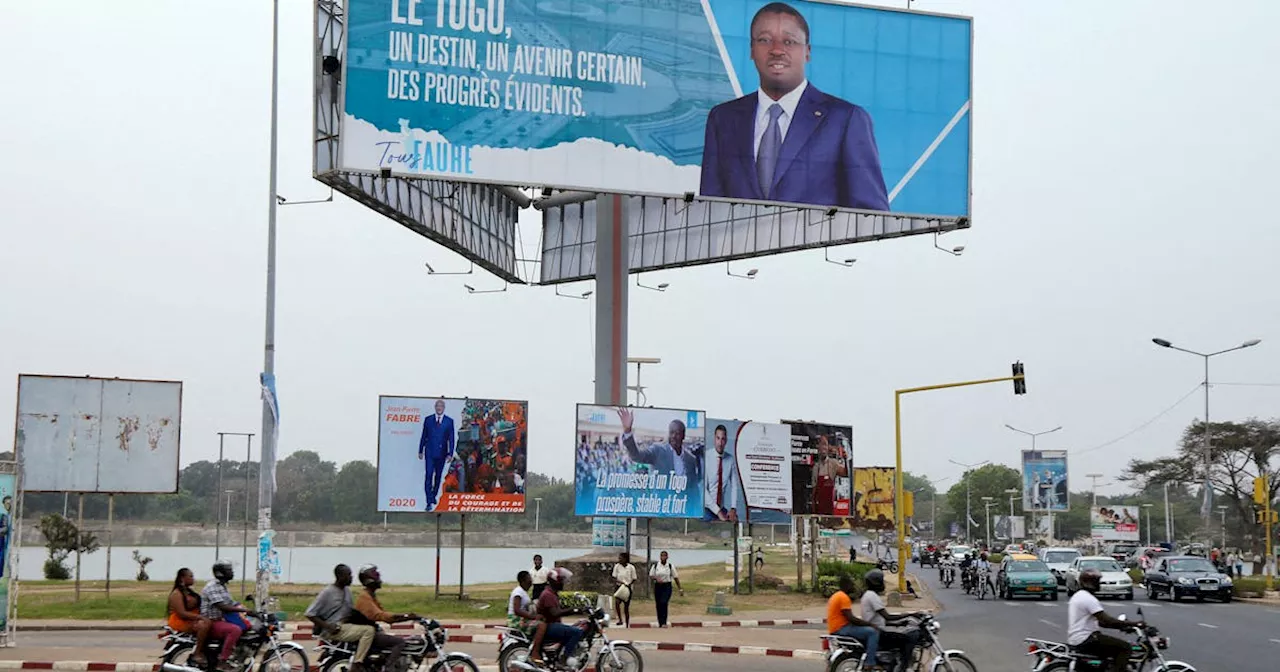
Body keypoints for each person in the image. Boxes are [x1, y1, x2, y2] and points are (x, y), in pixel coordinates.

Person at [699, 2, 888, 211]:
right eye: (765, 40)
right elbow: (709, 211)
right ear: (752, 50)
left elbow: (871, 216)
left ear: (807, 52)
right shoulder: (723, 119)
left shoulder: (846, 119)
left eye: (789, 41)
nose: (777, 50)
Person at [348, 564, 420, 672]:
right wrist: (405, 616)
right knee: (399, 642)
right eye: (376, 575)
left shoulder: (370, 595)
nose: (379, 579)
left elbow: (385, 614)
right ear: (369, 579)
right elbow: (380, 615)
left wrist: (406, 617)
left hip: (372, 632)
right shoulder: (364, 597)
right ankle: (388, 668)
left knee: (410, 640)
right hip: (368, 634)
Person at [1067, 568, 1142, 672]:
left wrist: (1124, 626)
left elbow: (1102, 622)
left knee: (1111, 651)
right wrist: (1136, 623)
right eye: (1096, 581)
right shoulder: (1088, 599)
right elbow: (1107, 620)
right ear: (1089, 583)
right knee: (1125, 647)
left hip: (1078, 638)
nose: (1099, 584)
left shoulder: (1078, 596)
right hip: (1087, 639)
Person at [305, 564, 376, 672]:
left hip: (345, 626)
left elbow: (351, 611)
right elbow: (310, 613)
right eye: (348, 575)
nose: (351, 578)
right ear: (339, 576)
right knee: (368, 631)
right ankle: (357, 663)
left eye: (351, 575)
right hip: (333, 629)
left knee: (370, 628)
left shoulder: (347, 591)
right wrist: (328, 627)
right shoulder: (327, 592)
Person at [860, 569, 920, 672]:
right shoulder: (872, 596)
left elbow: (880, 619)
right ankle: (904, 667)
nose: (883, 584)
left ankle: (897, 662)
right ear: (876, 583)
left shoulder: (869, 595)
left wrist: (900, 623)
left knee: (902, 635)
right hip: (878, 632)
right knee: (910, 638)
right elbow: (887, 616)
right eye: (881, 581)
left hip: (877, 629)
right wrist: (910, 614)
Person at [617, 409, 702, 481]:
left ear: (683, 436)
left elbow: (693, 488)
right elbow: (637, 456)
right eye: (671, 432)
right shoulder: (658, 451)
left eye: (677, 433)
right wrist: (628, 431)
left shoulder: (691, 459)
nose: (673, 436)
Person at [200, 560, 249, 671]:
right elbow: (222, 606)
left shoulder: (222, 586)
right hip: (211, 622)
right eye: (229, 570)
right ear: (220, 573)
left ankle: (236, 654)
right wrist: (243, 610)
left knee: (247, 626)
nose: (232, 573)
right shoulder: (213, 586)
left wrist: (249, 610)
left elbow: (230, 603)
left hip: (220, 620)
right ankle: (222, 661)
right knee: (235, 630)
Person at [827, 575, 882, 670]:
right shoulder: (843, 598)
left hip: (836, 628)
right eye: (851, 584)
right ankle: (869, 663)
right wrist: (870, 624)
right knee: (872, 632)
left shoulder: (836, 595)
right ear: (846, 585)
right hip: (842, 629)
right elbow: (851, 618)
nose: (853, 586)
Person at [533, 568, 587, 666]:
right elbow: (555, 613)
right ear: (555, 581)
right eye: (562, 580)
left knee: (577, 626)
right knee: (577, 632)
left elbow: (560, 609)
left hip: (552, 624)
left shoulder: (552, 593)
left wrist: (577, 608)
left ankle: (562, 654)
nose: (563, 583)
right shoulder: (548, 594)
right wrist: (574, 610)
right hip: (549, 626)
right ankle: (563, 659)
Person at [167, 568, 211, 667]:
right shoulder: (176, 594)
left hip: (191, 619)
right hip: (181, 621)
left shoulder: (188, 591)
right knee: (204, 625)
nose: (193, 579)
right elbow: (181, 613)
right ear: (182, 578)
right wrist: (200, 617)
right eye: (190, 576)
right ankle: (197, 653)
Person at [418, 398, 456, 511]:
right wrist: (420, 450)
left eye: (441, 406)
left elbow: (451, 439)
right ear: (435, 407)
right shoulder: (428, 420)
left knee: (438, 476)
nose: (439, 408)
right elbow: (423, 436)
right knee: (429, 474)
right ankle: (429, 501)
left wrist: (450, 453)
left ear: (443, 408)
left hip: (442, 453)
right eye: (437, 406)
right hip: (429, 451)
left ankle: (433, 495)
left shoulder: (449, 421)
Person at [702, 424, 740, 522]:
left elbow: (734, 486)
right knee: (710, 528)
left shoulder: (730, 459)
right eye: (718, 438)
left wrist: (733, 508)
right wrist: (718, 513)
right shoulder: (706, 457)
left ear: (726, 441)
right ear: (714, 439)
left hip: (721, 508)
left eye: (723, 439)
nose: (720, 443)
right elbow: (703, 490)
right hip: (707, 508)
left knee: (734, 523)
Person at [650, 551, 683, 628]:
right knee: (658, 604)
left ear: (667, 557)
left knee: (664, 602)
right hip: (658, 586)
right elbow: (651, 575)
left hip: (667, 586)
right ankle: (660, 622)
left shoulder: (670, 566)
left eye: (665, 556)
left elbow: (675, 577)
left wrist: (680, 588)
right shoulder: (656, 566)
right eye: (662, 556)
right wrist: (656, 578)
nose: (663, 557)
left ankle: (664, 621)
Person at [611, 552, 637, 628]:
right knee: (617, 602)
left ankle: (627, 621)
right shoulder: (617, 566)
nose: (619, 560)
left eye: (621, 558)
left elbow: (634, 578)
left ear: (625, 559)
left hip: (627, 588)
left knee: (626, 606)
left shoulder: (631, 567)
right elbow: (614, 577)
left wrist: (629, 584)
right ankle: (620, 619)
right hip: (619, 587)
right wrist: (620, 582)